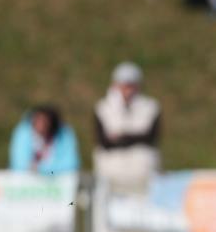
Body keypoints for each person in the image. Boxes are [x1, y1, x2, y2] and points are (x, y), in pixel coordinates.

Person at [93, 62, 161, 194]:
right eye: (124, 85)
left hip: (141, 173)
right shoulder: (103, 108)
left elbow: (150, 137)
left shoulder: (150, 107)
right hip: (111, 173)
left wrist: (121, 137)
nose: (127, 90)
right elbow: (103, 141)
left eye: (131, 85)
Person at [9, 105, 80, 175]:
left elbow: (71, 164)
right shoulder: (23, 132)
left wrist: (41, 170)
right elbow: (18, 164)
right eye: (38, 120)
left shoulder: (64, 134)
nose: (40, 125)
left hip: (57, 182)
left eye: (44, 122)